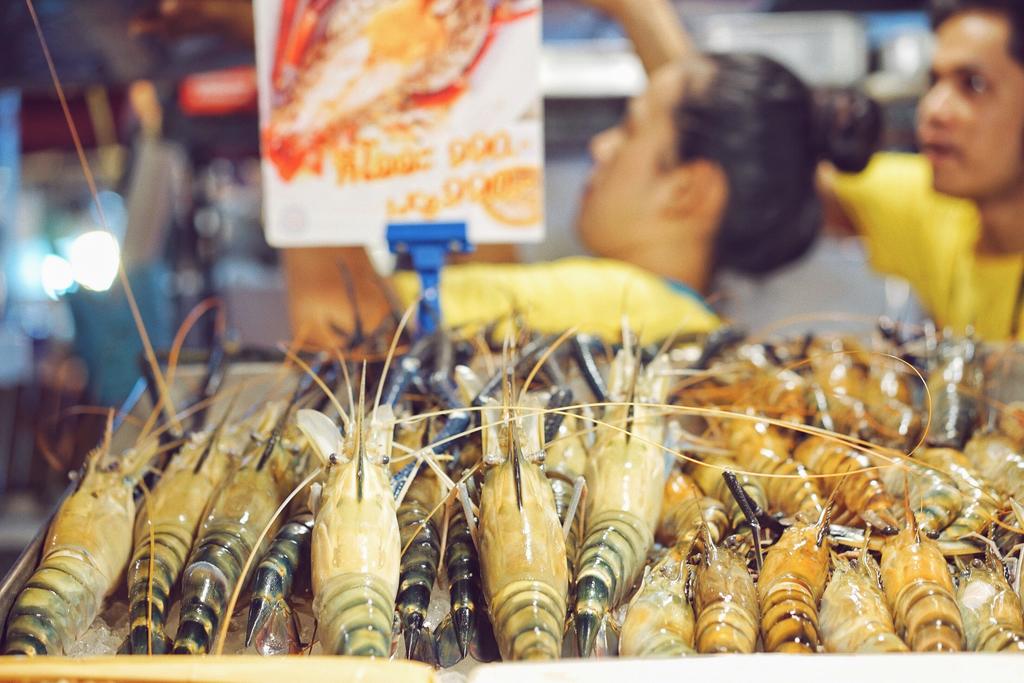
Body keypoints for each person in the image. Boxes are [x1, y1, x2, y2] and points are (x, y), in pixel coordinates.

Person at [821, 0, 1024, 340]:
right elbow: (813, 182)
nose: (932, 109)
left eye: (973, 84)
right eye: (933, 81)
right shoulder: (939, 207)